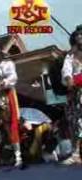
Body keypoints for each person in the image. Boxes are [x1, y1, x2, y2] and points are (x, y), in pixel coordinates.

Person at [61, 24, 82, 165]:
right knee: (75, 123)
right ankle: (75, 154)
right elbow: (66, 71)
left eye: (81, 34)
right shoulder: (70, 54)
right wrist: (68, 78)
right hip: (76, 93)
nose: (79, 37)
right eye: (77, 35)